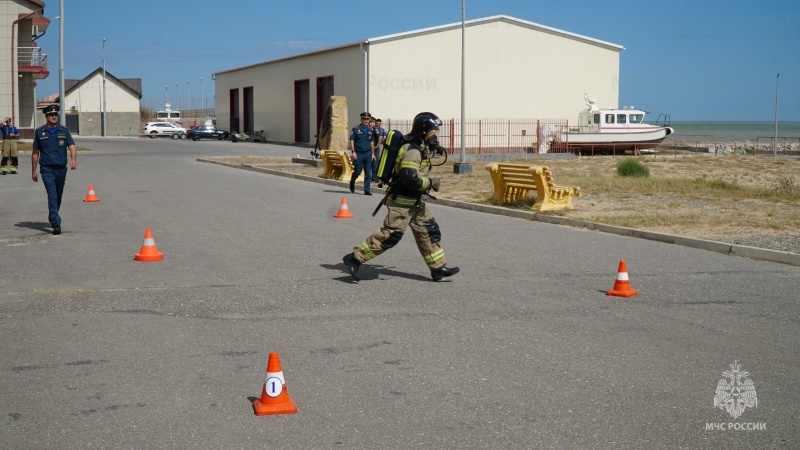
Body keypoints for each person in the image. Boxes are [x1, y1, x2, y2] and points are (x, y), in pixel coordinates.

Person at [342, 112, 460, 282]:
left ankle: (437, 268)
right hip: (402, 202)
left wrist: (434, 147)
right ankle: (354, 258)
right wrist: (430, 182)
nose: (436, 135)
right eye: (433, 132)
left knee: (429, 231)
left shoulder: (418, 147)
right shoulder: (412, 150)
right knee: (390, 235)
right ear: (424, 131)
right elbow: (409, 177)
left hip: (416, 202)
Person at [31, 105, 77, 235]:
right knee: (52, 194)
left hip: (61, 168)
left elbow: (72, 146)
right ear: (46, 116)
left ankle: (52, 216)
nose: (54, 116)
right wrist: (34, 171)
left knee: (58, 194)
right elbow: (35, 153)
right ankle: (56, 224)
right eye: (51, 114)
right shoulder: (40, 132)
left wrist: (73, 159)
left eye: (56, 114)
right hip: (47, 168)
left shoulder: (63, 130)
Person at [349, 112, 376, 196]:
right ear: (361, 119)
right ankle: (352, 181)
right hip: (359, 153)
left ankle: (366, 190)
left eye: (367, 119)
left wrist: (372, 154)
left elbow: (371, 142)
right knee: (357, 171)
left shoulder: (370, 130)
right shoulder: (356, 128)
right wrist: (353, 152)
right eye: (364, 119)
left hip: (367, 153)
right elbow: (352, 140)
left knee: (368, 172)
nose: (366, 121)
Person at [371, 118, 387, 185]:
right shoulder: (372, 129)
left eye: (378, 123)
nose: (377, 124)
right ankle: (373, 177)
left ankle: (375, 178)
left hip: (378, 146)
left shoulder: (380, 130)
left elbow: (382, 137)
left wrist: (377, 145)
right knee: (373, 163)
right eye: (376, 123)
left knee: (376, 162)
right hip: (372, 147)